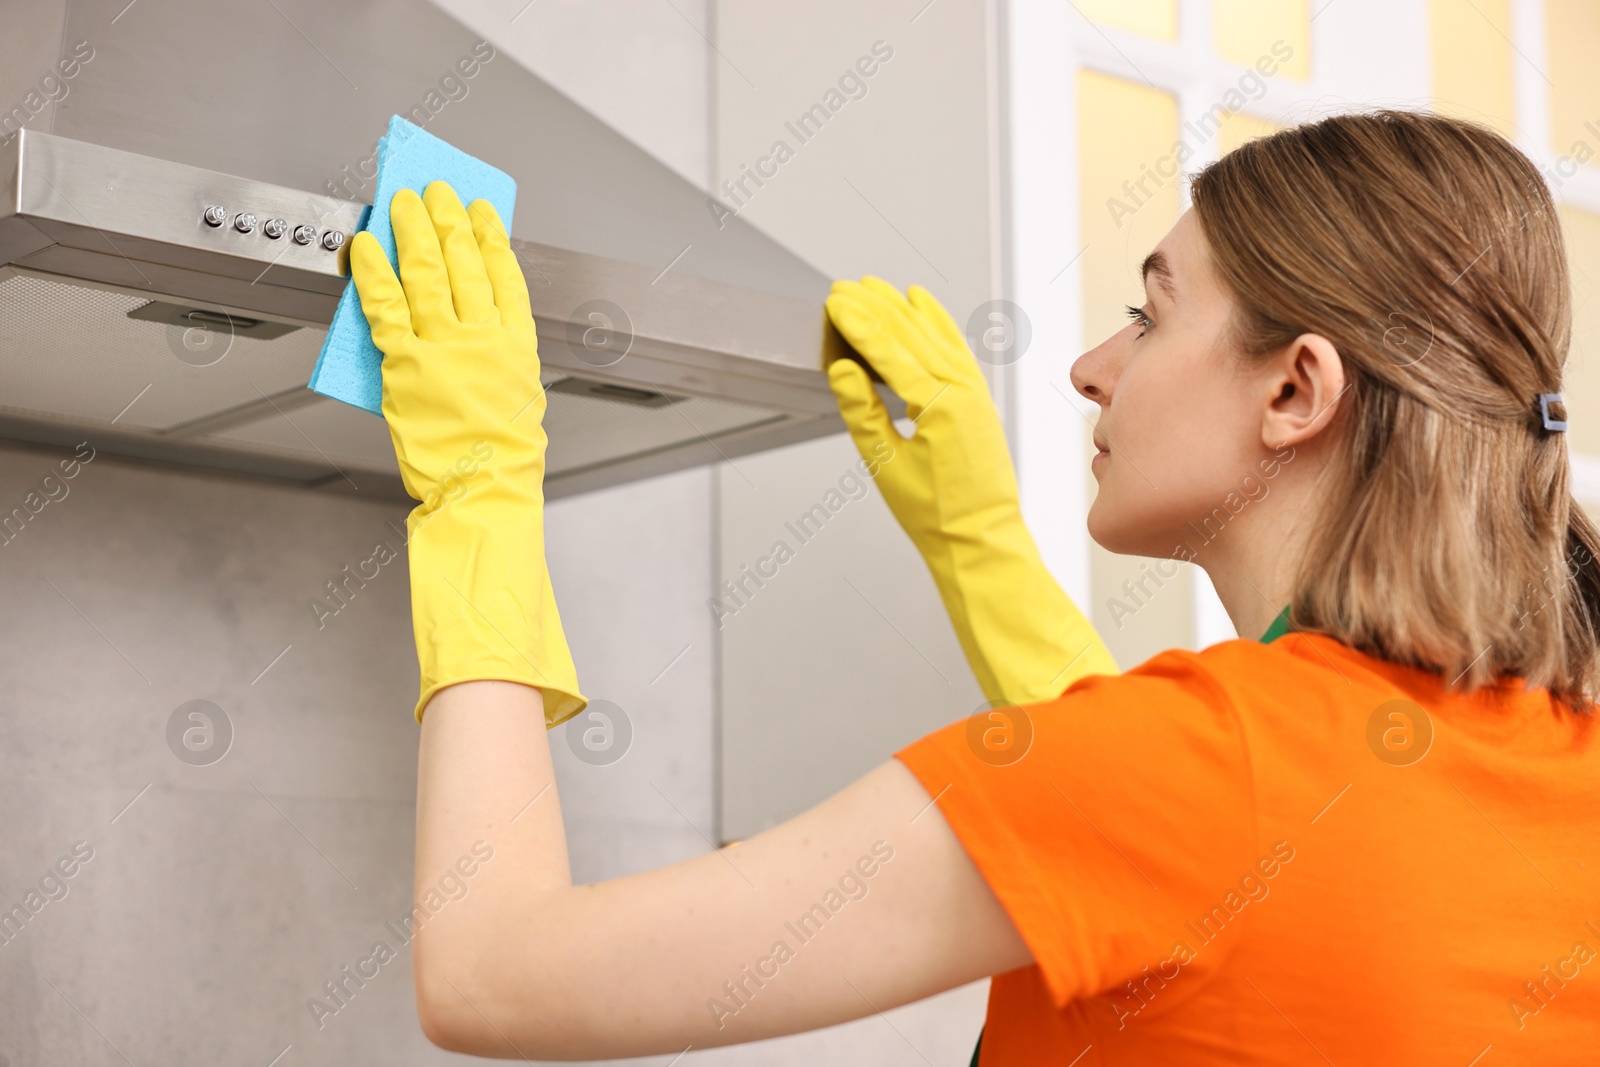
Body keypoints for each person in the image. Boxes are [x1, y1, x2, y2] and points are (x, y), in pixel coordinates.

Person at [347, 108, 1600, 1065]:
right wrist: (977, 543)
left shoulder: (1199, 769)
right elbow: (1220, 869)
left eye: (1148, 315)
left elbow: (495, 970)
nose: (1089, 367)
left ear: (1294, 391)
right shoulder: (1557, 756)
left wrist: (477, 489)